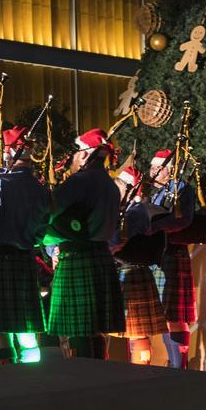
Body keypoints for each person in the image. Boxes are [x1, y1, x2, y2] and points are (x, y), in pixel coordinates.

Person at [43, 128, 125, 360]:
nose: (73, 158)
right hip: (100, 256)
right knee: (95, 329)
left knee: (76, 329)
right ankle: (100, 379)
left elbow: (48, 211)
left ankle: (81, 382)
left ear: (86, 154)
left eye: (77, 153)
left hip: (76, 257)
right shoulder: (110, 185)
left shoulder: (80, 181)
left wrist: (45, 236)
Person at [0, 126, 51, 364]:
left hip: (0, 258)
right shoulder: (41, 189)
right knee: (27, 326)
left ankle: (7, 377)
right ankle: (33, 376)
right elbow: (43, 230)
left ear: (10, 153)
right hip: (26, 259)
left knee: (2, 327)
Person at [146, 149, 197, 368]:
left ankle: (179, 368)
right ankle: (173, 366)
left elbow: (183, 220)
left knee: (174, 316)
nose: (154, 172)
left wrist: (153, 226)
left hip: (173, 253)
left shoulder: (181, 189)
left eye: (160, 168)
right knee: (161, 316)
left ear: (170, 169)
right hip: (156, 255)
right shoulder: (152, 193)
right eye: (153, 167)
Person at [111, 166, 164, 365]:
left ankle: (140, 376)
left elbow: (115, 242)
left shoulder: (135, 212)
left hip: (132, 273)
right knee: (127, 331)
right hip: (128, 271)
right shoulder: (130, 210)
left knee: (137, 332)